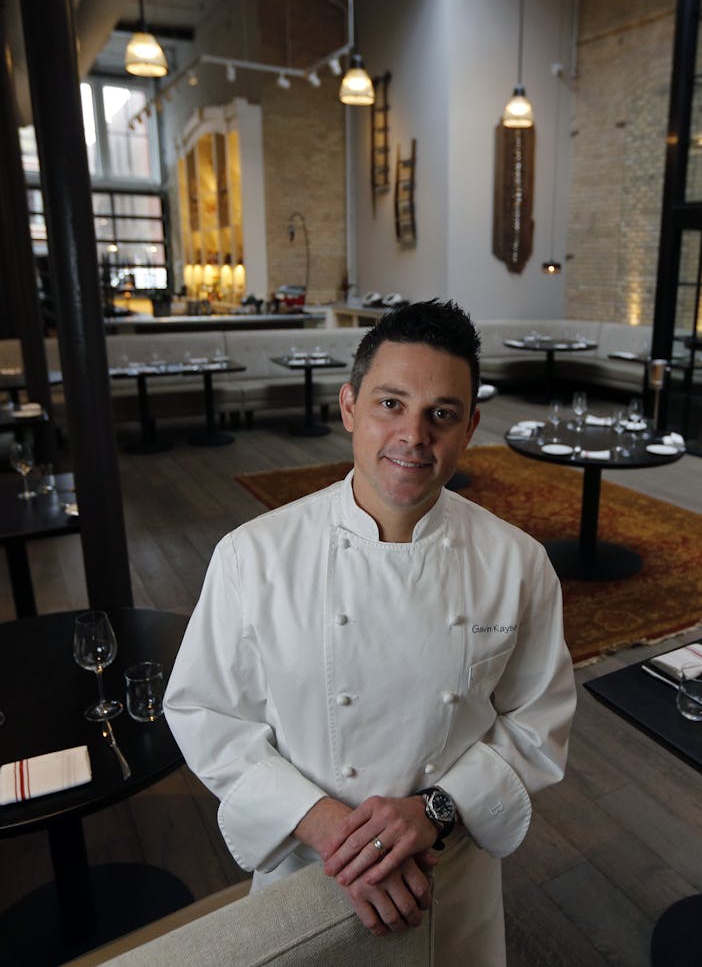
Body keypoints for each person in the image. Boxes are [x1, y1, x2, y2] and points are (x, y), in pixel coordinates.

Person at [165, 300, 576, 963]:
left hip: (446, 872)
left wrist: (435, 808)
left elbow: (538, 720)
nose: (414, 435)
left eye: (441, 413)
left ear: (470, 426)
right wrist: (331, 828)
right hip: (310, 868)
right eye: (391, 403)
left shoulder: (518, 563)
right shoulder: (254, 555)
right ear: (350, 406)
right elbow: (205, 710)